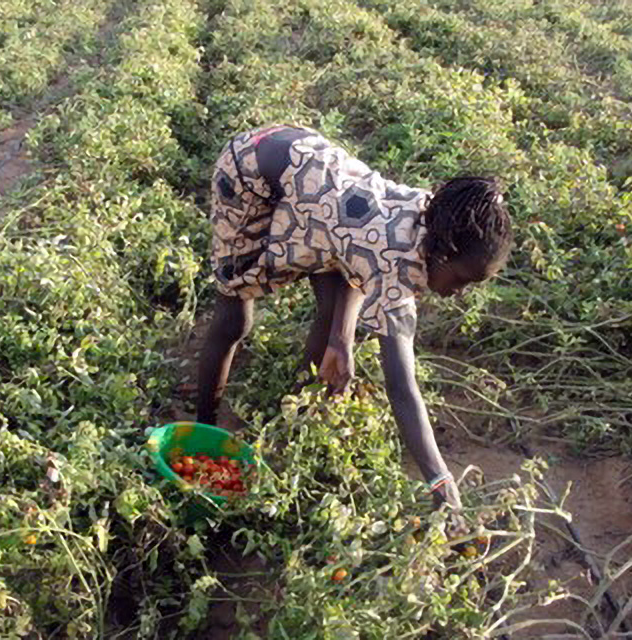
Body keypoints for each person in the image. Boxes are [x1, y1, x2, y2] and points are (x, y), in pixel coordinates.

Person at [197, 124, 513, 511]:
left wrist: (341, 339)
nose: (459, 293)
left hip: (312, 176)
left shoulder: (431, 219)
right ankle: (204, 425)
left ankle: (295, 419)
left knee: (333, 318)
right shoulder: (397, 254)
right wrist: (440, 479)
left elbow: (356, 259)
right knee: (234, 318)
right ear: (444, 254)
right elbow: (402, 387)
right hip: (251, 167)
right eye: (462, 280)